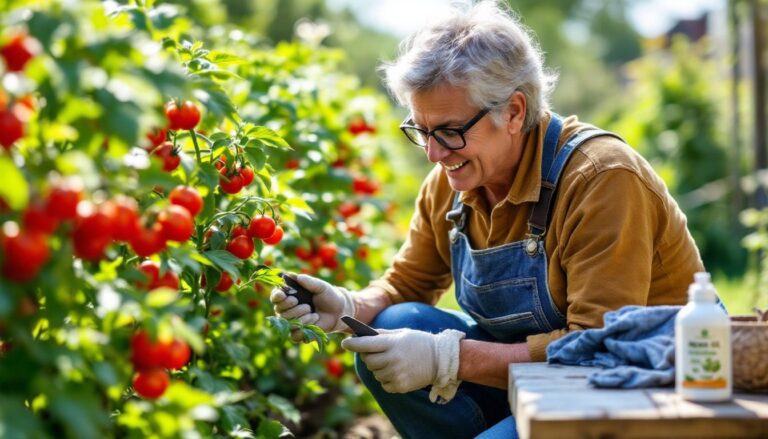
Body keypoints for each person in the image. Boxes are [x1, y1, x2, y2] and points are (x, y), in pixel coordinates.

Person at [270, 1, 703, 437]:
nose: (435, 154)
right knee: (393, 326)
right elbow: (407, 285)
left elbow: (596, 350)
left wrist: (449, 359)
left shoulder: (602, 179)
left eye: (450, 131)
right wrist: (348, 306)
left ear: (514, 112)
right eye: (422, 131)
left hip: (642, 386)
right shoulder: (453, 181)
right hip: (541, 383)